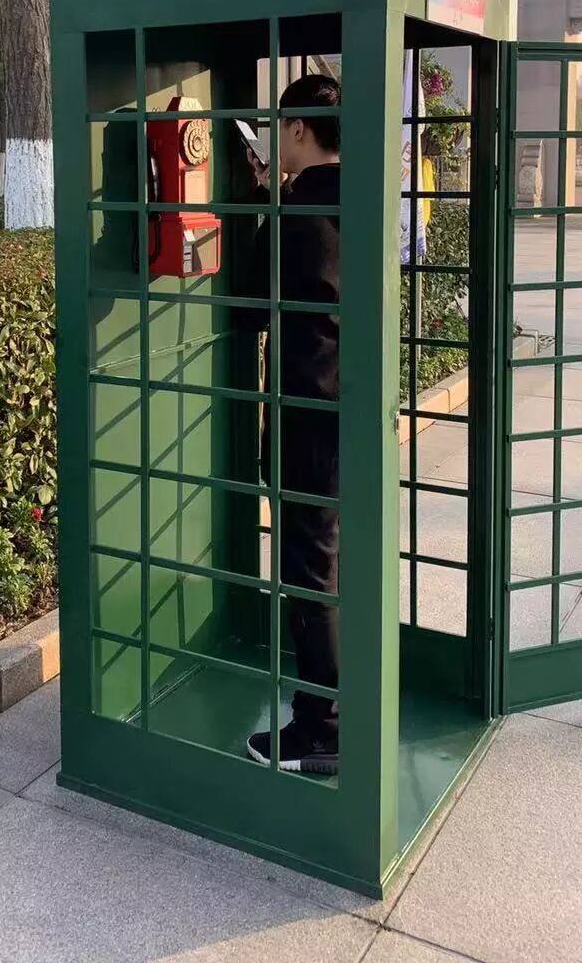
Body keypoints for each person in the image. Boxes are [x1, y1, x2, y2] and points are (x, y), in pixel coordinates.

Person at [243, 73, 340, 775]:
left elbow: (250, 303)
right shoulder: (363, 198)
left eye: (279, 127)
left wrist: (259, 202)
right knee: (332, 558)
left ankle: (321, 727)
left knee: (308, 568)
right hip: (352, 404)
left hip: (305, 409)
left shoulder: (296, 212)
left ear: (299, 130)